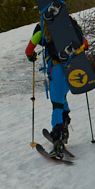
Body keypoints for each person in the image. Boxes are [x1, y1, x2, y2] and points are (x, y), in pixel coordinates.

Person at [25, 16, 72, 157]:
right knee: (62, 97)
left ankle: (57, 138)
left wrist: (31, 56)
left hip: (56, 68)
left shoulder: (43, 28)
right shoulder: (69, 23)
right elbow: (85, 43)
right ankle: (64, 128)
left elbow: (29, 50)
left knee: (57, 103)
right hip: (72, 68)